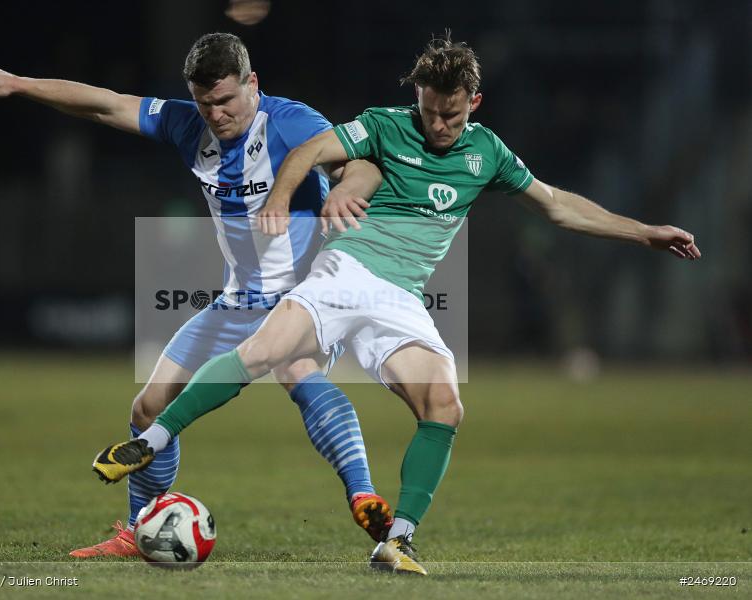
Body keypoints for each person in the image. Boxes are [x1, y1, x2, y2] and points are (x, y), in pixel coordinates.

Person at [96, 35, 702, 575]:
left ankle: (397, 541)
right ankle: (151, 442)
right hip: (345, 270)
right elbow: (315, 152)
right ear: (417, 95)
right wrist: (289, 195)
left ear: (474, 104)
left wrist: (646, 231)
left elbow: (558, 204)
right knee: (265, 351)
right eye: (430, 110)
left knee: (444, 400)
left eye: (452, 114)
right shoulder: (385, 124)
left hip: (402, 299)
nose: (438, 124)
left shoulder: (487, 153)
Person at [0, 32, 393, 558]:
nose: (216, 113)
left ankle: (363, 494)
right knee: (149, 404)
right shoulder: (188, 123)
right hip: (236, 301)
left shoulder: (291, 121)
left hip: (304, 297)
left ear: (253, 84)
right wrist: (20, 85)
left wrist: (346, 188)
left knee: (297, 371)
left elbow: (361, 159)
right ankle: (140, 530)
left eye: (226, 100)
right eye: (205, 102)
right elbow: (105, 104)